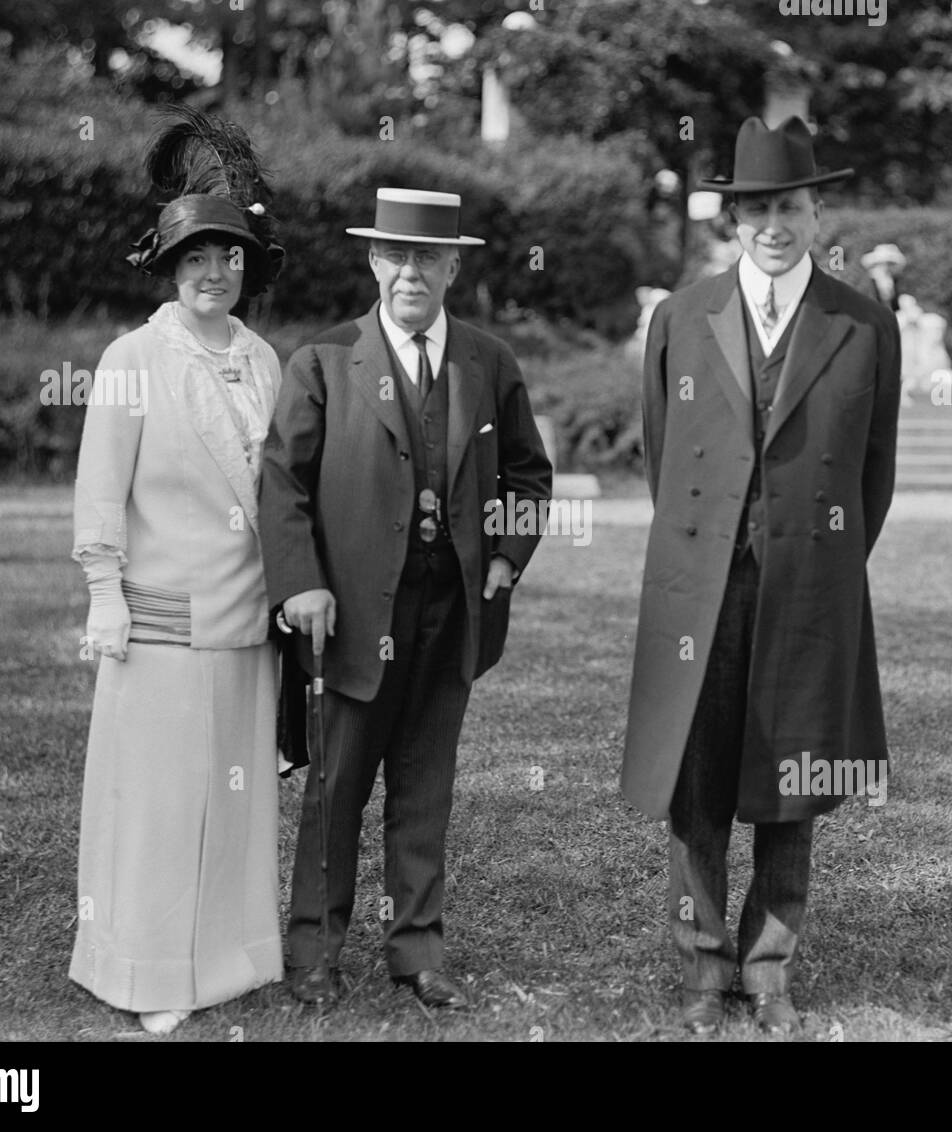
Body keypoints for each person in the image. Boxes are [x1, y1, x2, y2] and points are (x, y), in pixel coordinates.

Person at [621, 117, 901, 1037]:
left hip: (809, 587)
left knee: (796, 774)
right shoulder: (682, 316)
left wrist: (816, 558)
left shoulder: (863, 322)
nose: (772, 224)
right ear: (732, 219)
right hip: (703, 585)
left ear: (818, 212)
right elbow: (664, 456)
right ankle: (705, 969)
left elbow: (874, 472)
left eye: (789, 205)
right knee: (696, 778)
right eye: (754, 209)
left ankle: (769, 967)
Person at [258, 188, 552, 1011]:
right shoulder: (323, 358)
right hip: (351, 614)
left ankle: (417, 951)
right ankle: (314, 950)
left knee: (426, 788)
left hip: (451, 611)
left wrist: (506, 554)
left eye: (428, 257)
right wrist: (301, 583)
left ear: (454, 266)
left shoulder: (487, 362)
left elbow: (529, 474)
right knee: (338, 788)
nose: (410, 272)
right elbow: (281, 482)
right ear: (373, 262)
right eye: (396, 255)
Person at [70, 105, 286, 1035]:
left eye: (227, 257)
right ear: (167, 268)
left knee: (235, 799)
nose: (212, 273)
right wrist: (103, 594)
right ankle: (149, 973)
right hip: (156, 621)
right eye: (194, 258)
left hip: (247, 624)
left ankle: (230, 961)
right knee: (158, 807)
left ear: (246, 267)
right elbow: (98, 491)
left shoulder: (266, 361)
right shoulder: (129, 359)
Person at [861, 243, 905, 313]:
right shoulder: (869, 290)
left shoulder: (904, 299)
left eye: (888, 264)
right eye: (878, 265)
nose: (884, 268)